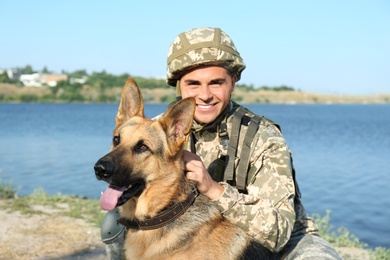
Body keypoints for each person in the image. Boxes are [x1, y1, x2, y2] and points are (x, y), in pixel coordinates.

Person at [101, 27, 342, 259]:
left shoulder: (263, 137)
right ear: (179, 85)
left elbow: (278, 233)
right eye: (193, 84)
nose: (204, 95)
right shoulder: (157, 132)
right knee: (113, 223)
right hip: (198, 231)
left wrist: (213, 189)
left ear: (233, 81)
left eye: (216, 82)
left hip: (283, 242)